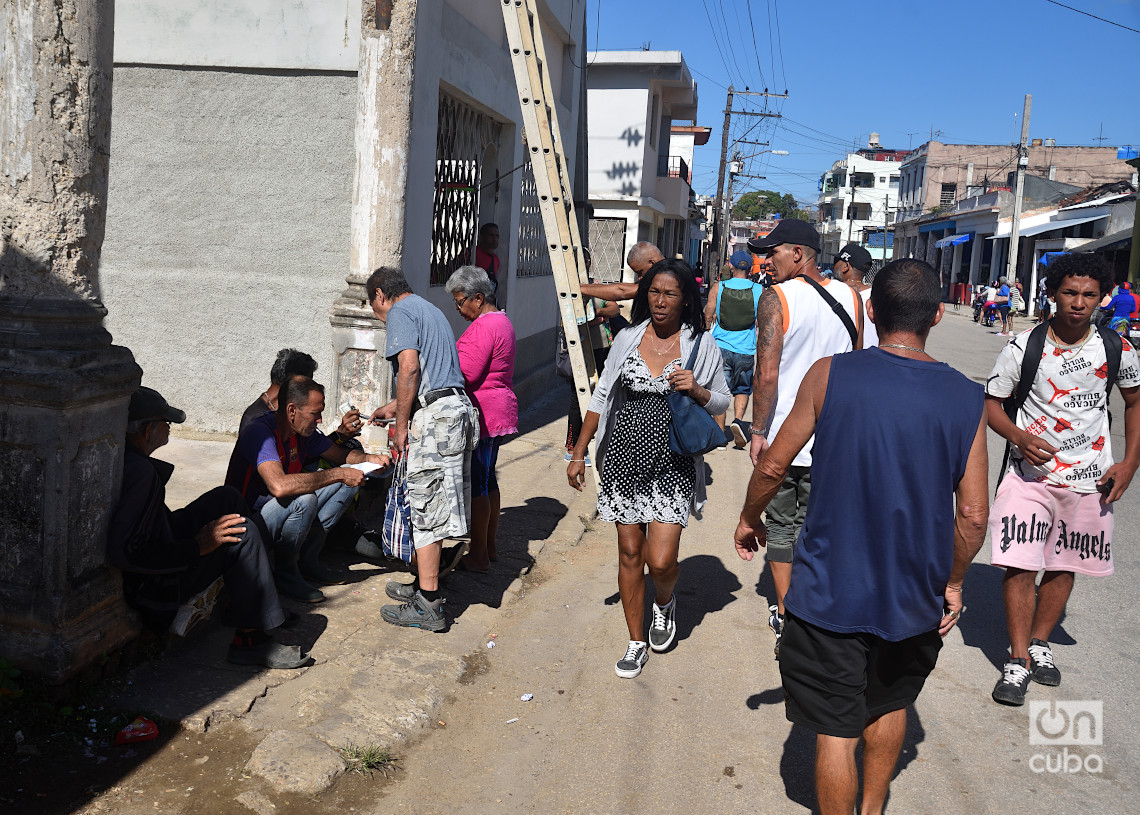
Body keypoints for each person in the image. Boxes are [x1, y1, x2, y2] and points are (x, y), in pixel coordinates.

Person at [734, 258, 988, 815]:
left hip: (830, 588)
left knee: (834, 728)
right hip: (913, 591)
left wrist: (750, 518)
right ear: (939, 316)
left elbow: (775, 465)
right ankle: (872, 809)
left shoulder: (830, 374)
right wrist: (954, 581)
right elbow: (972, 514)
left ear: (872, 312)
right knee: (890, 702)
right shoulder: (967, 398)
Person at [985, 252, 1140, 706]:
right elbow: (992, 402)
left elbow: (1134, 402)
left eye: (1088, 295)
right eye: (1069, 293)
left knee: (1063, 564)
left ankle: (1039, 642)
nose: (1078, 302)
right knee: (1020, 561)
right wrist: (1017, 436)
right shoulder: (1023, 346)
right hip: (1028, 477)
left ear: (1101, 298)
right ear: (1052, 294)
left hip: (1090, 479)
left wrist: (1129, 462)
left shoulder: (1118, 349)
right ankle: (1017, 660)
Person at [567, 259, 730, 679]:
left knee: (660, 560)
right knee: (629, 553)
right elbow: (601, 395)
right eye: (653, 292)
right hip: (623, 457)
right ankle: (635, 641)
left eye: (670, 294)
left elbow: (723, 402)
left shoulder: (701, 344)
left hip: (673, 461)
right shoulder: (629, 337)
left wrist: (696, 388)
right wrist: (580, 451)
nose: (659, 301)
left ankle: (665, 603)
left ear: (684, 299)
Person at [108, 387, 309, 669]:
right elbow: (126, 551)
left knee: (227, 498)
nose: (169, 428)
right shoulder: (140, 472)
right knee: (242, 533)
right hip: (155, 589)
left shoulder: (131, 459)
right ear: (147, 430)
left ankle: (248, 600)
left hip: (164, 545)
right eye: (165, 423)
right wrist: (198, 546)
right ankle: (250, 641)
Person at [748, 218, 864, 655]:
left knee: (780, 525)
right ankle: (817, 610)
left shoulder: (776, 297)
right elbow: (856, 365)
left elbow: (768, 372)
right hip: (834, 438)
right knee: (821, 528)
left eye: (773, 251)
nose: (766, 259)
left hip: (784, 436)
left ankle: (786, 614)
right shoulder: (851, 298)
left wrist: (758, 431)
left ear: (797, 253)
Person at [367, 266, 478, 631]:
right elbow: (433, 374)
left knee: (426, 505)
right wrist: (395, 409)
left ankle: (429, 605)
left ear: (381, 295)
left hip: (438, 417)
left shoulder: (399, 311)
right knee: (435, 504)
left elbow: (409, 370)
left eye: (375, 310)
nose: (383, 319)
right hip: (454, 410)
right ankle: (424, 586)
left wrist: (400, 427)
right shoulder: (428, 308)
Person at [226, 376, 388, 603]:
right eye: (315, 414)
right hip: (249, 525)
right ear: (292, 410)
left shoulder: (302, 432)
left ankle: (308, 560)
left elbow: (339, 455)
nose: (320, 420)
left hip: (280, 512)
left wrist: (370, 460)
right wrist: (340, 473)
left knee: (347, 483)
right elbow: (279, 486)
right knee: (305, 499)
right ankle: (285, 572)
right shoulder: (260, 432)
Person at [445, 265, 518, 571]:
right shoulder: (500, 320)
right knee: (487, 479)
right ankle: (488, 547)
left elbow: (468, 373)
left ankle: (479, 555)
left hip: (485, 412)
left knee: (478, 483)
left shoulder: (485, 326)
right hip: (497, 410)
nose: (458, 308)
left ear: (477, 298)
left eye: (460, 302)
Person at [240, 347, 364, 450]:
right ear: (292, 383)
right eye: (307, 383)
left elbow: (310, 448)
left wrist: (340, 435)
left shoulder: (293, 414)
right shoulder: (257, 421)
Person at [703, 249, 763, 447]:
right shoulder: (758, 289)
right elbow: (761, 321)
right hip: (746, 349)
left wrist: (705, 331)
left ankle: (720, 434)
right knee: (742, 389)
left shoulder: (718, 287)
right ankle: (737, 421)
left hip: (721, 346)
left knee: (720, 390)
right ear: (749, 269)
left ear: (731, 266)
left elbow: (708, 312)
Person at [579, 242, 664, 303]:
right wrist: (582, 286)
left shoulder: (667, 276)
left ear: (652, 262)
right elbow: (626, 287)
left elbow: (622, 291)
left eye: (640, 272)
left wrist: (579, 289)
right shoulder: (661, 272)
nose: (639, 277)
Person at [833, 242, 878, 347]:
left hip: (841, 359)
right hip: (873, 358)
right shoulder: (877, 296)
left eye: (836, 261)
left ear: (846, 266)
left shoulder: (831, 293)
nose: (833, 265)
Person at [474, 222, 501, 293]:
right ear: (481, 238)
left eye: (497, 236)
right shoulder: (473, 254)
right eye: (491, 235)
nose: (494, 239)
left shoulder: (496, 259)